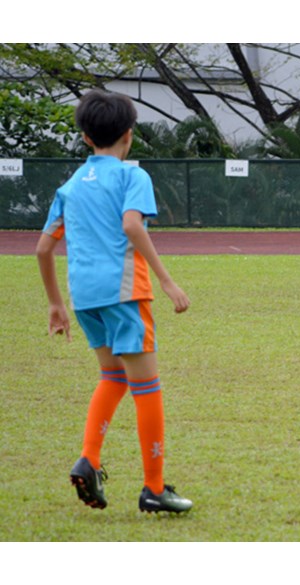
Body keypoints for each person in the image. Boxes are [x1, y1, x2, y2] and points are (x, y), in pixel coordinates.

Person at [36, 90, 193, 512]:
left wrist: (55, 306)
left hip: (85, 298)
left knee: (113, 378)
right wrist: (165, 280)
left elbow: (43, 249)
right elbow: (132, 226)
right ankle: (155, 489)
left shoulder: (68, 187)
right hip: (125, 293)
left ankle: (89, 458)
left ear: (86, 138)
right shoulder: (132, 176)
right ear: (129, 135)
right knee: (147, 388)